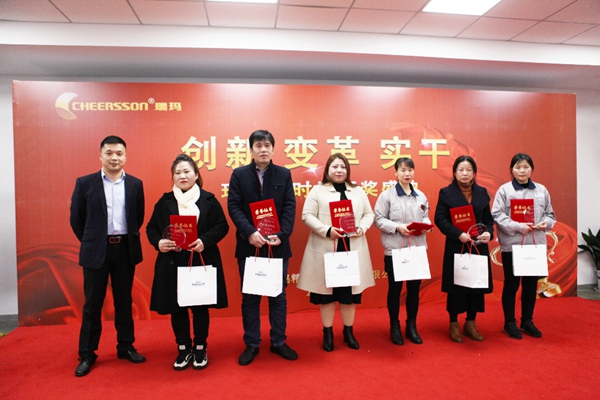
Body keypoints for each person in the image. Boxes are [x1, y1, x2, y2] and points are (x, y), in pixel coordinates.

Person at [69, 135, 146, 377]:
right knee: (92, 305)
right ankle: (87, 354)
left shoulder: (135, 184)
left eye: (119, 153)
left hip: (124, 250)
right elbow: (77, 219)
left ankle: (126, 347)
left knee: (124, 302)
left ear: (126, 156)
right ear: (100, 156)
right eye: (109, 153)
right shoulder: (85, 183)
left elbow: (138, 217)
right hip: (96, 250)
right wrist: (93, 241)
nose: (114, 157)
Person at [146, 154, 229, 370]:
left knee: (200, 306)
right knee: (177, 308)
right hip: (172, 262)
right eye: (177, 173)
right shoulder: (164, 202)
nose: (182, 176)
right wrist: (159, 243)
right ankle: (183, 348)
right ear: (172, 177)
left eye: (186, 171)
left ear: (196, 174)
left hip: (200, 259)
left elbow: (223, 226)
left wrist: (205, 241)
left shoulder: (209, 200)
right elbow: (151, 228)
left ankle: (200, 347)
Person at [227, 129, 298, 366]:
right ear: (251, 150)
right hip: (249, 245)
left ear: (273, 149)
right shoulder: (239, 175)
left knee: (278, 296)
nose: (263, 149)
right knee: (250, 297)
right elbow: (234, 206)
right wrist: (249, 232)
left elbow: (289, 206)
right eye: (258, 145)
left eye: (267, 145)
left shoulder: (284, 174)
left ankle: (278, 341)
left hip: (277, 246)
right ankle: (252, 343)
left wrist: (282, 234)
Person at [297, 153, 375, 351]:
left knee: (349, 295)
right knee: (327, 295)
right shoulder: (318, 190)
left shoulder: (357, 191)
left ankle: (348, 332)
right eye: (335, 166)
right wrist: (327, 230)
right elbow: (307, 215)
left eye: (343, 166)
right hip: (327, 247)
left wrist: (362, 228)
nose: (339, 170)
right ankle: (328, 332)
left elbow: (369, 214)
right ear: (327, 170)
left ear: (347, 170)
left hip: (352, 247)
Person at [491, 153, 555, 339]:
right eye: (518, 167)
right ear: (512, 170)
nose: (522, 171)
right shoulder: (505, 190)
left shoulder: (542, 190)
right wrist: (519, 226)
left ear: (531, 169)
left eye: (526, 167)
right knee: (511, 284)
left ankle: (527, 321)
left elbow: (550, 215)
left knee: (530, 285)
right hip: (513, 246)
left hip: (534, 245)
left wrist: (546, 223)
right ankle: (509, 322)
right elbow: (497, 215)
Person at [434, 155, 494, 343]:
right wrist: (457, 234)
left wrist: (489, 233)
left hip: (478, 245)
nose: (465, 173)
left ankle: (471, 322)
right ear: (454, 172)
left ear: (474, 172)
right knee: (456, 286)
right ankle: (453, 323)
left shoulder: (482, 193)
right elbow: (440, 219)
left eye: (468, 170)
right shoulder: (446, 193)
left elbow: (488, 219)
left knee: (475, 284)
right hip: (457, 244)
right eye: (461, 170)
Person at [374, 157, 431, 346]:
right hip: (395, 250)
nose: (407, 174)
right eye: (403, 170)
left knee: (414, 290)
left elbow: (425, 216)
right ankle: (394, 326)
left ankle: (411, 325)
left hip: (416, 249)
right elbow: (378, 219)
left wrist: (426, 225)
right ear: (396, 173)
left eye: (410, 170)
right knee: (395, 290)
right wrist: (397, 227)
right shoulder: (387, 196)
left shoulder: (421, 196)